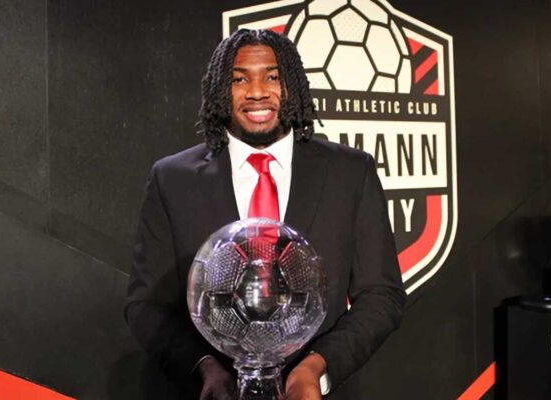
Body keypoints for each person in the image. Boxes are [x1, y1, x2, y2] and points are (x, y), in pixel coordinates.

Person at [126, 29, 406, 400]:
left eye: (272, 77)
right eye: (239, 79)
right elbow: (146, 305)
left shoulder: (350, 172)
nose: (257, 92)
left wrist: (315, 369)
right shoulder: (172, 179)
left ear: (292, 86)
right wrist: (204, 369)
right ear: (219, 90)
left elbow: (381, 294)